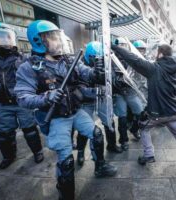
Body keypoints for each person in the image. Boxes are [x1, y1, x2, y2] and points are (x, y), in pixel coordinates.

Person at [14, 20, 117, 200]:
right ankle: (66, 194)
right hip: (55, 117)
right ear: (39, 41)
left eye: (58, 37)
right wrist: (47, 97)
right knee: (66, 158)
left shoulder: (68, 60)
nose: (59, 41)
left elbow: (86, 73)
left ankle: (100, 167)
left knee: (96, 133)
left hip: (75, 110)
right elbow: (22, 98)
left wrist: (97, 72)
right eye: (53, 38)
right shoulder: (29, 67)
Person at [111, 43, 176, 171]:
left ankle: (149, 154)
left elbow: (134, 60)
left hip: (157, 114)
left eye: (157, 52)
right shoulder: (175, 67)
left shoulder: (154, 69)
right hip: (173, 112)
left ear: (161, 54)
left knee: (144, 128)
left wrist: (115, 47)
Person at [0, 21, 44, 169]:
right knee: (5, 135)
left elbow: (34, 77)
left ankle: (37, 151)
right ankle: (9, 156)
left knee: (30, 129)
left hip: (21, 101)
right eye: (1, 37)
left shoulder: (22, 57)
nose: (5, 41)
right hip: (0, 103)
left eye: (7, 37)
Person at [112, 37, 144, 150]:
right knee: (122, 118)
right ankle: (124, 140)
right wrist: (118, 80)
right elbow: (110, 77)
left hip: (131, 91)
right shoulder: (111, 59)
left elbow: (138, 74)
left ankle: (134, 129)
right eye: (121, 45)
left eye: (125, 46)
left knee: (141, 114)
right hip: (119, 92)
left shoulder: (131, 58)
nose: (123, 48)